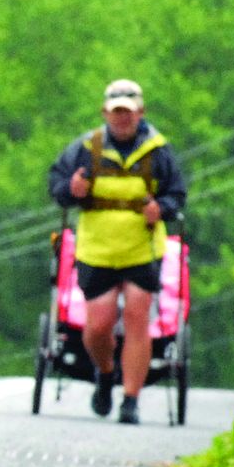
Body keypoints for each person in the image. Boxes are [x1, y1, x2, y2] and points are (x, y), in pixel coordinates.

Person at [47, 78, 188, 424]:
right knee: (97, 327)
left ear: (141, 112)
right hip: (97, 250)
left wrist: (162, 209)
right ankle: (106, 373)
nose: (122, 119)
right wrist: (72, 189)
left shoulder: (158, 151)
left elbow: (177, 195)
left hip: (142, 249)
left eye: (128, 112)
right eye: (116, 113)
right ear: (105, 113)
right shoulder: (85, 149)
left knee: (138, 319)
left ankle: (130, 400)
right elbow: (56, 186)